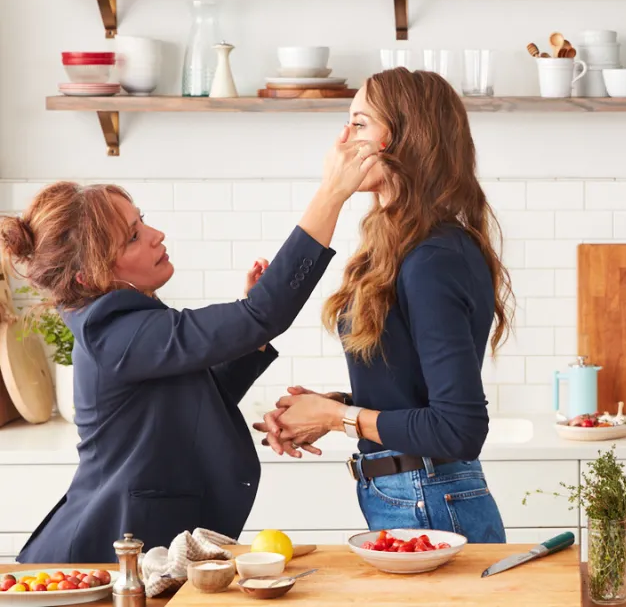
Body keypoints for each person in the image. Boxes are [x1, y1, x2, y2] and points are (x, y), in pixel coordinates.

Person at [2, 136, 380, 563]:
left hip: (135, 550)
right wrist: (332, 192)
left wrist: (250, 335)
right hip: (104, 558)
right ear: (89, 278)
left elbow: (185, 399)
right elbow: (264, 312)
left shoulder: (122, 320)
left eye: (141, 221)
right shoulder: (115, 329)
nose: (155, 235)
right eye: (132, 237)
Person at [256, 67, 514, 544]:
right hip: (415, 493)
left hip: (430, 497)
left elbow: (458, 429)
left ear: (404, 139)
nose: (342, 140)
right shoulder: (404, 246)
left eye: (359, 124)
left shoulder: (433, 258)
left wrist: (337, 419)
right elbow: (413, 398)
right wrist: (328, 409)